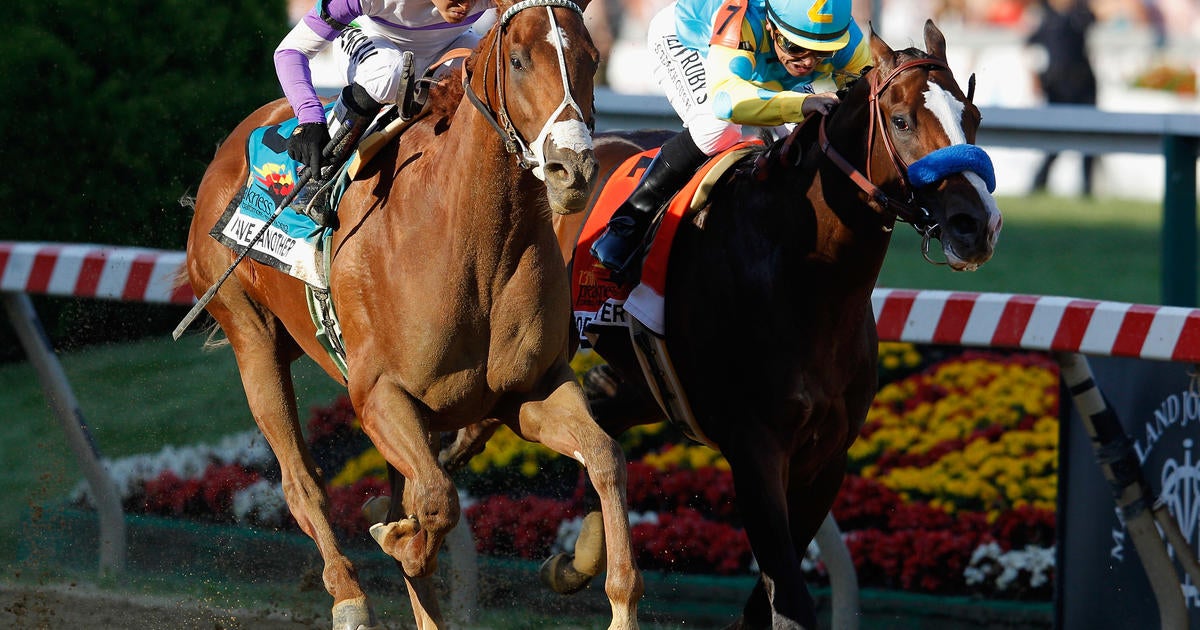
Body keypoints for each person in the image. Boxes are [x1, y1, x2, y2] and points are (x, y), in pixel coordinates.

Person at [590, 0, 870, 279]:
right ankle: (628, 223)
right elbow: (728, 101)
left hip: (763, 64)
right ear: (771, 26)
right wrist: (802, 102)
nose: (808, 62)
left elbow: (872, 93)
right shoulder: (743, 17)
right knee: (716, 129)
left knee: (811, 134)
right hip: (693, 42)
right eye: (796, 47)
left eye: (824, 52)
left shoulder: (844, 36)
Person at [275, 0, 496, 226]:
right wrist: (310, 118)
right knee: (388, 73)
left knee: (489, 69)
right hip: (370, 37)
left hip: (449, 45)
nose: (466, 3)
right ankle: (319, 175)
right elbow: (290, 50)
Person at [1026, 0, 1097, 196]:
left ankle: (1087, 189)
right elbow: (1030, 45)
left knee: (1089, 140)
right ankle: (1038, 184)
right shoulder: (1042, 13)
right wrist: (1035, 78)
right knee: (1053, 142)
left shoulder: (1081, 12)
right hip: (1057, 87)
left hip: (1083, 85)